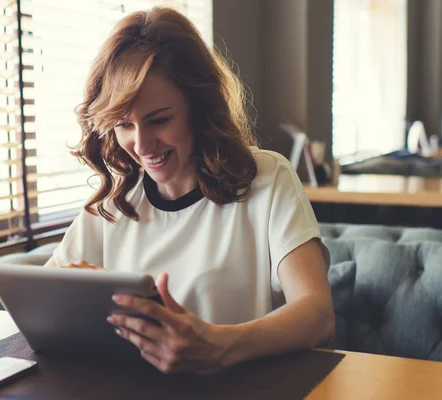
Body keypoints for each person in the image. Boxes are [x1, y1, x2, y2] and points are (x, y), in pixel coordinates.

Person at [44, 7, 334, 374]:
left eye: (159, 120)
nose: (142, 144)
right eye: (123, 125)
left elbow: (317, 314)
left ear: (199, 107)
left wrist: (217, 345)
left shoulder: (268, 178)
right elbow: (41, 303)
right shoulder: (114, 202)